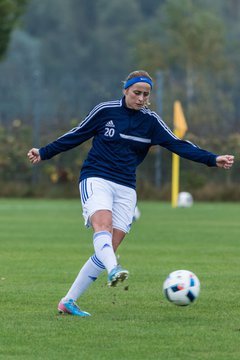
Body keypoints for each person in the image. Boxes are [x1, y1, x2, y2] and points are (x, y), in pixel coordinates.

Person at [27, 70, 234, 317]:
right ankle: (114, 270)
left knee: (108, 247)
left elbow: (178, 145)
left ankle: (68, 301)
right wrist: (44, 152)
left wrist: (213, 159)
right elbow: (76, 134)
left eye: (146, 95)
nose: (141, 98)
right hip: (96, 177)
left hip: (126, 186)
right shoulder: (105, 111)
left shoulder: (151, 121)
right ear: (125, 90)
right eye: (137, 93)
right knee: (102, 227)